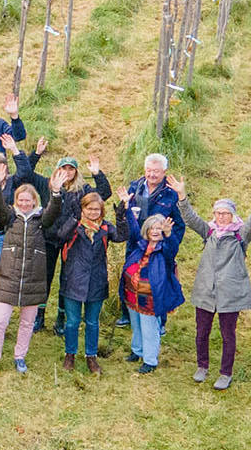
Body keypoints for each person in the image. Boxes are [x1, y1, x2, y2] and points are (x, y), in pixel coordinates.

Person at [180, 177, 251, 389]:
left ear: (232, 214)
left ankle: (225, 373)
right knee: (201, 332)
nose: (221, 217)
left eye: (225, 213)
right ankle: (202, 366)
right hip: (206, 290)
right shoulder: (209, 231)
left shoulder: (241, 234)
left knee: (228, 335)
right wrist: (182, 196)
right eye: (218, 213)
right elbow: (190, 219)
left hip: (230, 292)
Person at [0, 170, 62, 374]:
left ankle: (19, 357)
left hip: (33, 280)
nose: (24, 204)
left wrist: (56, 192)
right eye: (21, 200)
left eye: (28, 200)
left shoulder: (41, 219)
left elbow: (53, 211)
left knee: (27, 324)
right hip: (8, 279)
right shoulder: (10, 217)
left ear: (34, 201)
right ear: (16, 201)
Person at [47, 183, 125, 373]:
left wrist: (121, 215)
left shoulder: (105, 228)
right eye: (89, 208)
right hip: (73, 281)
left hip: (96, 281)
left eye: (96, 209)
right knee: (72, 322)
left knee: (92, 322)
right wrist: (74, 218)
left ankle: (91, 356)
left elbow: (122, 236)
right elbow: (60, 236)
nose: (92, 212)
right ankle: (70, 355)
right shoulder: (74, 226)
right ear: (82, 208)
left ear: (101, 210)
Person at [117, 154, 182, 328]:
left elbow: (179, 225)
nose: (152, 174)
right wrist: (124, 207)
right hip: (136, 243)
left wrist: (169, 244)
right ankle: (127, 313)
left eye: (156, 171)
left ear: (164, 172)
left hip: (159, 247)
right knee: (131, 276)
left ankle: (160, 320)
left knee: (158, 281)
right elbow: (124, 214)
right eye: (149, 170)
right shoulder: (134, 187)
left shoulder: (171, 194)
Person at [118, 210, 184, 374]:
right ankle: (137, 351)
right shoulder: (140, 245)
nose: (155, 231)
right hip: (132, 295)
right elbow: (133, 228)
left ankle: (150, 360)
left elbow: (173, 247)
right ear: (146, 230)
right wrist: (127, 207)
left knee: (149, 329)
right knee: (136, 326)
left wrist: (168, 234)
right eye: (152, 228)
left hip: (150, 298)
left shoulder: (165, 251)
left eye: (158, 228)